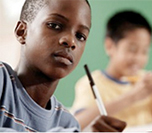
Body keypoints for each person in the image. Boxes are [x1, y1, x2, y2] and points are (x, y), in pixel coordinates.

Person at [0, 0, 127, 132]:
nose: (71, 41)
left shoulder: (68, 124)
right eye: (54, 25)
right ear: (22, 32)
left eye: (80, 36)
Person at [70, 10, 152, 129]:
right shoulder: (91, 83)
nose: (138, 58)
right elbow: (76, 123)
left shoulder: (149, 83)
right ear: (110, 46)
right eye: (132, 49)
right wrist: (134, 96)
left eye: (144, 51)